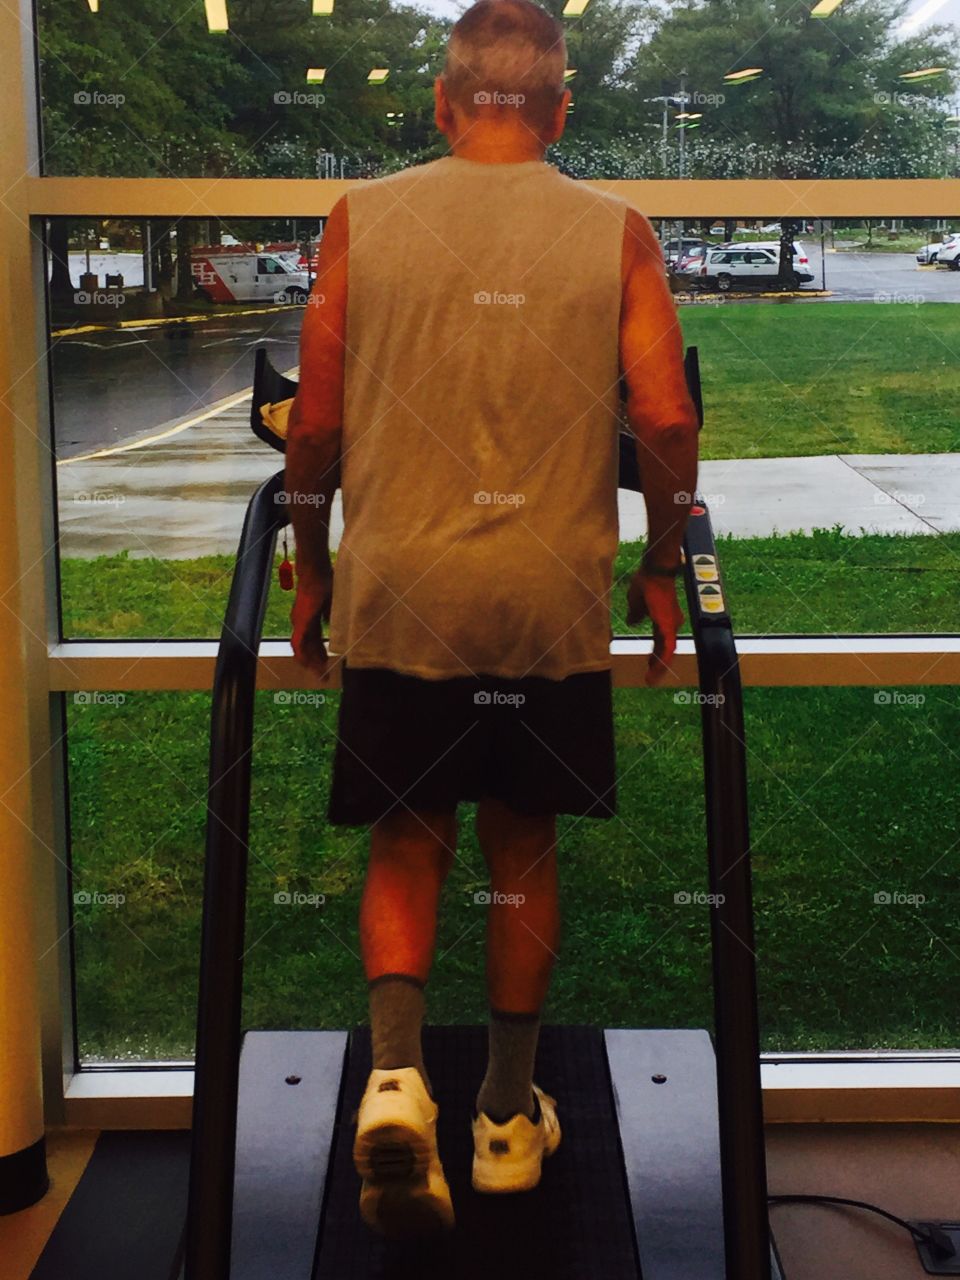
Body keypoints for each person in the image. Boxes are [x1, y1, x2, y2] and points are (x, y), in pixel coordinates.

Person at [283, 0, 699, 1239]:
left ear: (441, 101)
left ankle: (399, 1078)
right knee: (522, 851)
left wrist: (312, 562)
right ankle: (509, 1120)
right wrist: (664, 558)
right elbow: (667, 422)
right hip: (543, 601)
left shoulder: (364, 217)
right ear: (562, 108)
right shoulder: (615, 230)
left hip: (405, 592)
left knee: (407, 842)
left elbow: (313, 423)